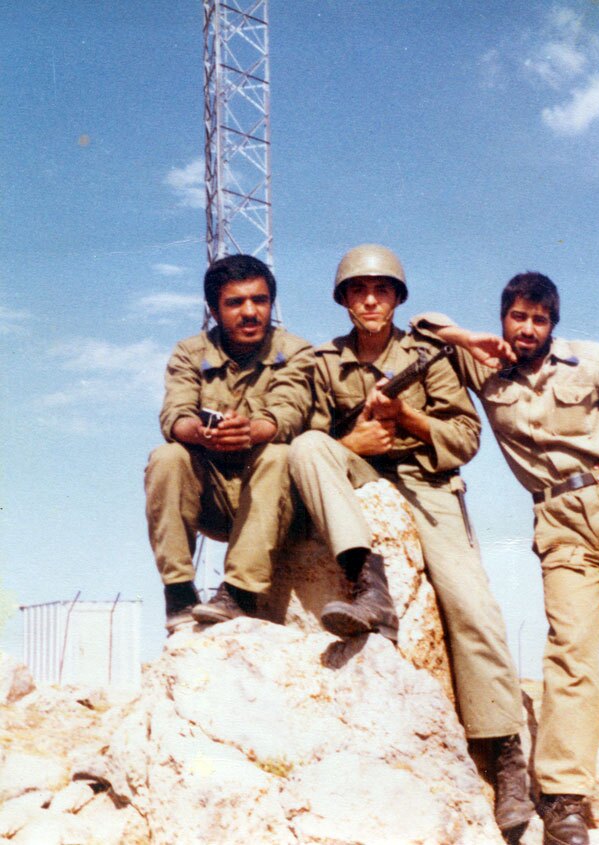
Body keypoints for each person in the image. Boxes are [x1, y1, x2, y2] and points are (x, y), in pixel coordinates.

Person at [413, 272, 599, 845]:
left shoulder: (587, 359)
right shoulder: (483, 365)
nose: (527, 328)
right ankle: (565, 798)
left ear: (553, 325)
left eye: (539, 319)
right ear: (503, 318)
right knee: (571, 651)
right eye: (518, 317)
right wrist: (467, 338)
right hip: (558, 519)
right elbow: (422, 326)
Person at [287, 244, 534, 834]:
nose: (371, 300)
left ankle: (503, 753)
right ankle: (369, 586)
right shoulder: (323, 362)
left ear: (397, 298)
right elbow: (309, 439)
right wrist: (353, 442)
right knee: (307, 448)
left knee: (471, 604)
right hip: (360, 472)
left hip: (428, 483)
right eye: (358, 290)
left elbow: (466, 435)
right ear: (344, 299)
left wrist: (407, 419)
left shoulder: (429, 356)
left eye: (382, 290)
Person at [145, 254, 314, 632]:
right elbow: (174, 415)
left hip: (273, 499)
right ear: (214, 310)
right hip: (213, 497)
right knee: (167, 457)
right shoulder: (190, 352)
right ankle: (179, 593)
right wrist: (201, 433)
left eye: (260, 300)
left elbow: (289, 411)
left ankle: (239, 593)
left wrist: (252, 431)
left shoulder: (296, 351)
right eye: (235, 303)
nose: (250, 312)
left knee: (278, 454)